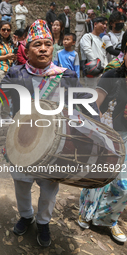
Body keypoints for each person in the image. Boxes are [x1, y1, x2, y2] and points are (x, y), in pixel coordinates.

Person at [0, 19, 99, 248]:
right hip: (21, 141)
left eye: (47, 44)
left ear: (53, 47)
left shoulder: (66, 75)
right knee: (21, 183)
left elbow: (83, 103)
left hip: (55, 145)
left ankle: (43, 221)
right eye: (37, 44)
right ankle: (26, 215)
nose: (43, 48)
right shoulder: (16, 73)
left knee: (49, 188)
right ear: (26, 49)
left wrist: (96, 126)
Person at [78, 51, 127, 243]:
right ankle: (86, 213)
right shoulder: (112, 76)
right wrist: (101, 130)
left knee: (123, 187)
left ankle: (107, 219)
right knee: (98, 178)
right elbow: (92, 105)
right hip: (107, 134)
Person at [80, 16, 108, 88]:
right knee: (91, 93)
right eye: (103, 24)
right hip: (92, 71)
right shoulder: (87, 37)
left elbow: (104, 55)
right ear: (95, 24)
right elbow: (88, 51)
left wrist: (106, 68)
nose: (105, 26)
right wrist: (97, 66)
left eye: (106, 25)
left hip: (101, 72)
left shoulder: (101, 40)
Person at [0, 20, 17, 86]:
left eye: (8, 30)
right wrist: (5, 57)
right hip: (0, 71)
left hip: (10, 71)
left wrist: (15, 46)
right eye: (4, 29)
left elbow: (13, 57)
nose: (6, 32)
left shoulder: (10, 43)